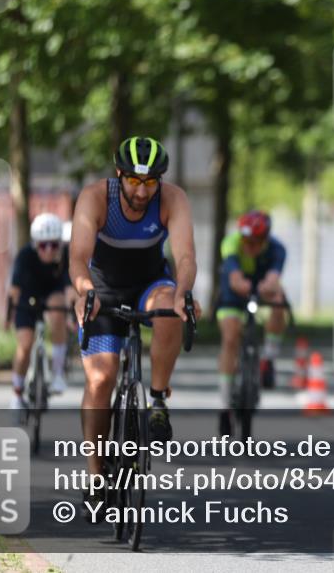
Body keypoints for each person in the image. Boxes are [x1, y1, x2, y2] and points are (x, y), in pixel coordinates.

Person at [70, 137, 201, 498]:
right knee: (100, 379)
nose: (141, 191)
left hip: (150, 282)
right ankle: (96, 476)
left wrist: (183, 292)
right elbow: (78, 257)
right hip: (103, 287)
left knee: (169, 310)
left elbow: (186, 257)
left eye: (149, 182)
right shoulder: (96, 198)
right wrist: (84, 292)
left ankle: (157, 400)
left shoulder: (172, 199)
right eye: (133, 181)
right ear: (119, 175)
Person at [216, 209, 288, 436]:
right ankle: (225, 403)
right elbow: (234, 276)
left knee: (279, 301)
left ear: (265, 240)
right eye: (245, 240)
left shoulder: (278, 249)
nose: (249, 246)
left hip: (262, 287)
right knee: (230, 337)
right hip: (233, 292)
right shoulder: (231, 243)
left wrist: (269, 285)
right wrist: (240, 283)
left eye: (255, 242)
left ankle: (268, 359)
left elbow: (273, 278)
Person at [6, 212, 72, 408]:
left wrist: (72, 315)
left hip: (53, 294)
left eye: (54, 244)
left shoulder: (65, 256)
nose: (49, 250)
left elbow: (69, 289)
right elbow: (14, 290)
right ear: (36, 244)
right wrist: (9, 316)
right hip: (28, 297)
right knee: (25, 345)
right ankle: (17, 393)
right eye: (44, 245)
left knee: (57, 310)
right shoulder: (25, 256)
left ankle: (58, 372)